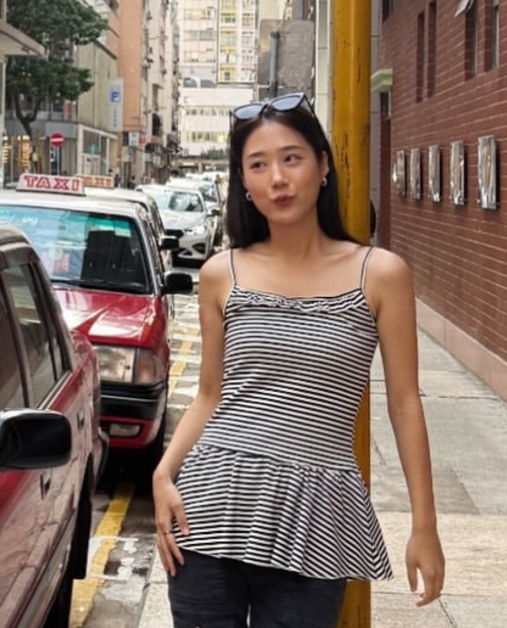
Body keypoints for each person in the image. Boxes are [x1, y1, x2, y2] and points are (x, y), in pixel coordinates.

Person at [152, 92, 444, 627]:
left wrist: (424, 524)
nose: (278, 179)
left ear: (323, 165)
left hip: (316, 519)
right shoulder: (221, 272)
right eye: (258, 165)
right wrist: (164, 473)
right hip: (208, 510)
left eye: (292, 158)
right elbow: (210, 396)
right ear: (243, 182)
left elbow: (405, 404)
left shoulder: (380, 274)